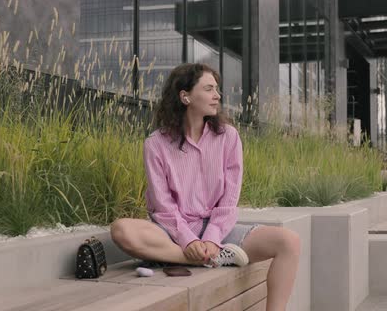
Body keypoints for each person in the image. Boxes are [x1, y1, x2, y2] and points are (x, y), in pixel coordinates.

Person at [111, 63, 300, 311]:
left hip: (220, 232)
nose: (217, 96)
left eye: (217, 89)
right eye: (209, 89)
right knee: (121, 230)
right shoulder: (155, 144)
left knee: (289, 241)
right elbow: (163, 208)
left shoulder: (229, 137)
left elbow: (229, 200)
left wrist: (211, 237)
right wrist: (188, 241)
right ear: (185, 96)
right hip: (174, 234)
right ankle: (210, 259)